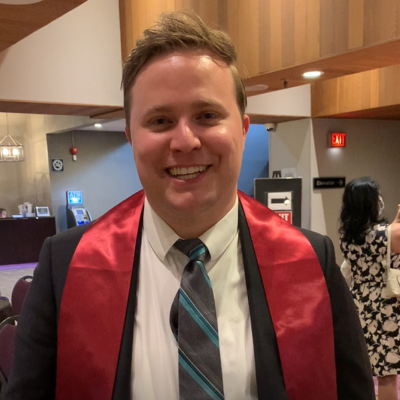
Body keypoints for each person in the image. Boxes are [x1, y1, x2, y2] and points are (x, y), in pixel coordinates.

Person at [7, 11, 374, 400]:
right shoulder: (66, 265)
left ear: (244, 129)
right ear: (131, 136)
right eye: (161, 120)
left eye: (207, 115)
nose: (185, 141)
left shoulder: (311, 260)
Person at [339, 176, 400, 400]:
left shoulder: (347, 237)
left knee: (365, 371)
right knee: (387, 376)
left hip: (360, 305)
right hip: (386, 307)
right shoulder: (390, 233)